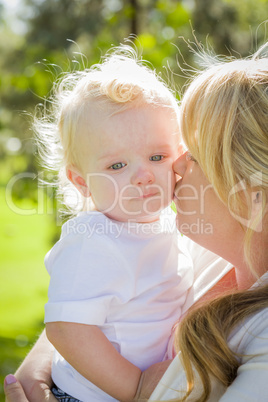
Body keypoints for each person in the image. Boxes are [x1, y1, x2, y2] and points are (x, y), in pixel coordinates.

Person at [6, 40, 268, 401]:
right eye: (117, 165)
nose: (175, 166)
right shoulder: (198, 241)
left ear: (251, 199)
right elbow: (73, 319)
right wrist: (42, 362)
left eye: (194, 155)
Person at [11, 45, 197, 402]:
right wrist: (135, 388)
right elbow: (67, 330)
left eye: (157, 156)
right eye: (117, 166)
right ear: (81, 182)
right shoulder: (92, 240)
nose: (143, 176)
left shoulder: (170, 225)